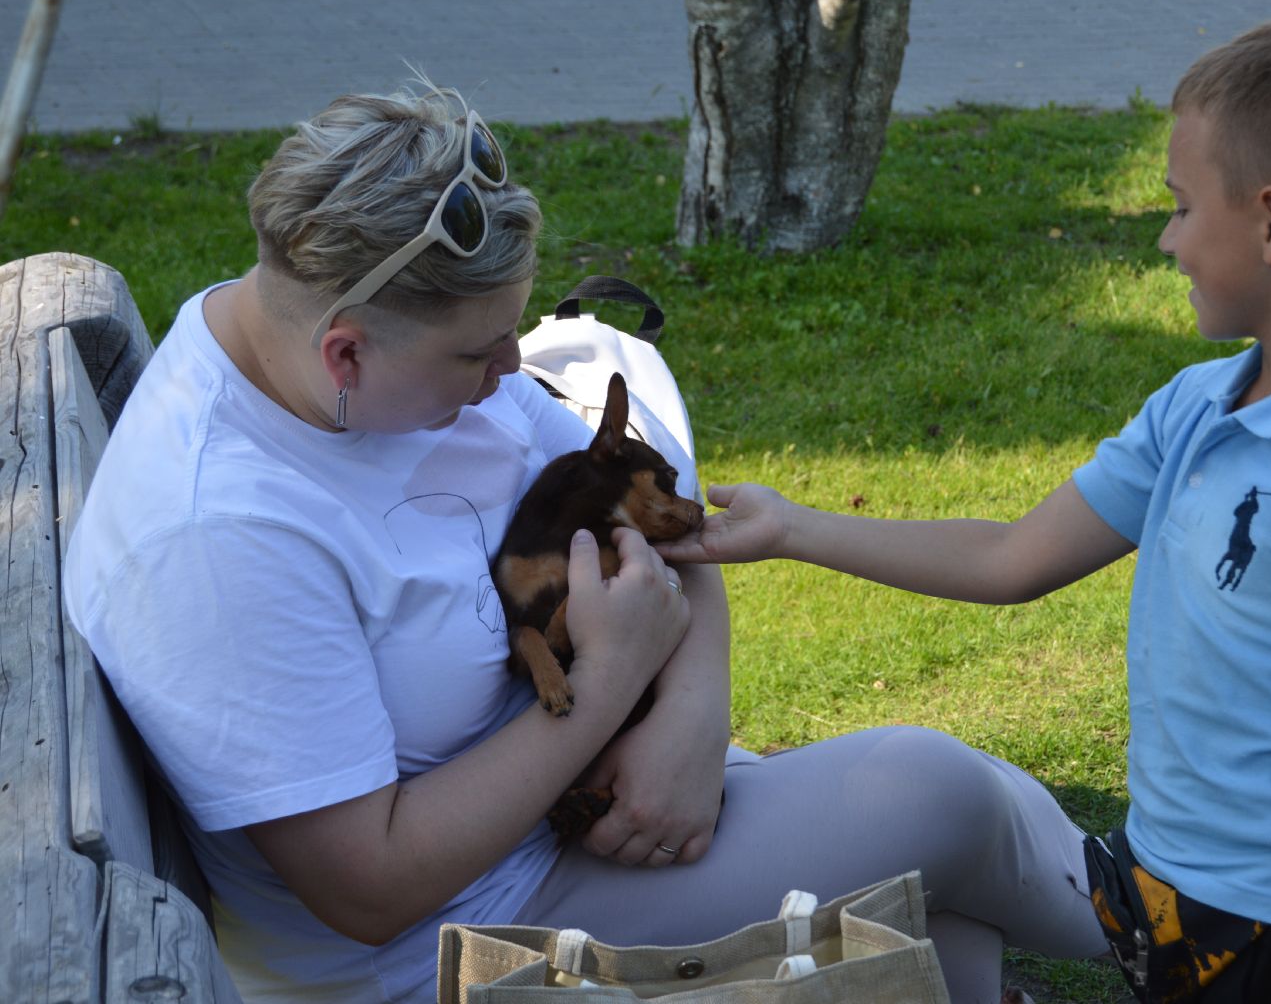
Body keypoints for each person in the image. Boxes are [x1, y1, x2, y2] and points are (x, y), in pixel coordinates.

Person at [63, 80, 1110, 1004]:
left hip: (576, 824)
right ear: (345, 351)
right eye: (479, 356)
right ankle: (1209, 940)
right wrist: (605, 696)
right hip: (456, 945)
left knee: (957, 881)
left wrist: (693, 715)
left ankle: (1193, 932)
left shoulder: (377, 374)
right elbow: (368, 888)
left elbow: (661, 531)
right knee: (943, 798)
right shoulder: (217, 533)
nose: (512, 376)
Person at [660, 13, 1271, 1004]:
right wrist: (794, 530)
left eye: (1178, 207)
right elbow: (1013, 558)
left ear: (1270, 222)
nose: (1166, 239)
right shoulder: (1195, 410)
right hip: (1169, 898)